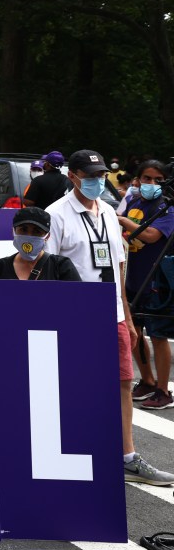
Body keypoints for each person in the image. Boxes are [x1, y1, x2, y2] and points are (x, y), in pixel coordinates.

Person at [47, 149, 174, 485]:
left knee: (121, 382)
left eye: (100, 175)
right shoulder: (56, 214)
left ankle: (126, 456)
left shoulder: (107, 211)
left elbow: (118, 266)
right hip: (73, 316)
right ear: (72, 176)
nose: (96, 181)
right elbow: (45, 271)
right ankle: (72, 453)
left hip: (112, 313)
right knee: (74, 385)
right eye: (89, 176)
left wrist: (128, 318)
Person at [119, 160, 174, 410]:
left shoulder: (167, 207)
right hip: (133, 277)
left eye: (157, 179)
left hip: (156, 281)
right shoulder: (133, 201)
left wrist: (120, 220)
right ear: (137, 179)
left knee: (158, 335)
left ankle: (164, 390)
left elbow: (151, 235)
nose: (151, 184)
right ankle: (147, 381)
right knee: (135, 331)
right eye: (146, 178)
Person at [0, 206, 82, 319]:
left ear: (47, 236)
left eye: (37, 232)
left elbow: (78, 305)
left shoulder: (61, 266)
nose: (29, 236)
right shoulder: (0, 267)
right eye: (23, 229)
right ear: (14, 230)